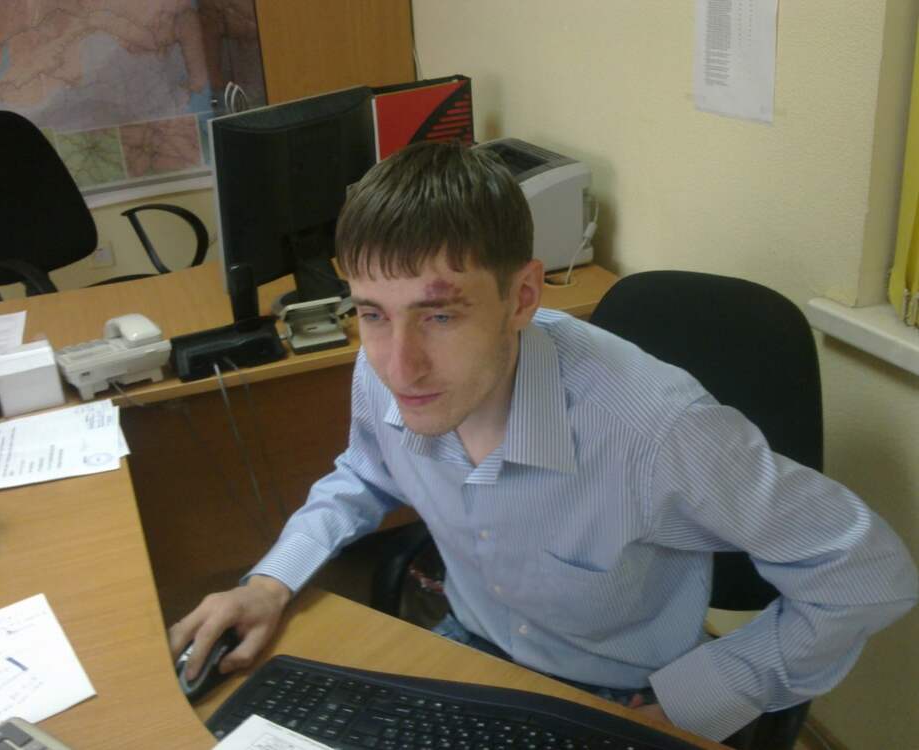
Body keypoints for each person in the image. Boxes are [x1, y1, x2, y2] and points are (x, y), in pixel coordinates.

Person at [169, 141, 917, 742]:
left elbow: (866, 571)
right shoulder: (385, 373)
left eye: (440, 315)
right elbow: (363, 475)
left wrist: (700, 700)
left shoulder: (657, 430)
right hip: (468, 647)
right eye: (372, 314)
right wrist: (268, 583)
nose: (400, 365)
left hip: (621, 694)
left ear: (523, 296)